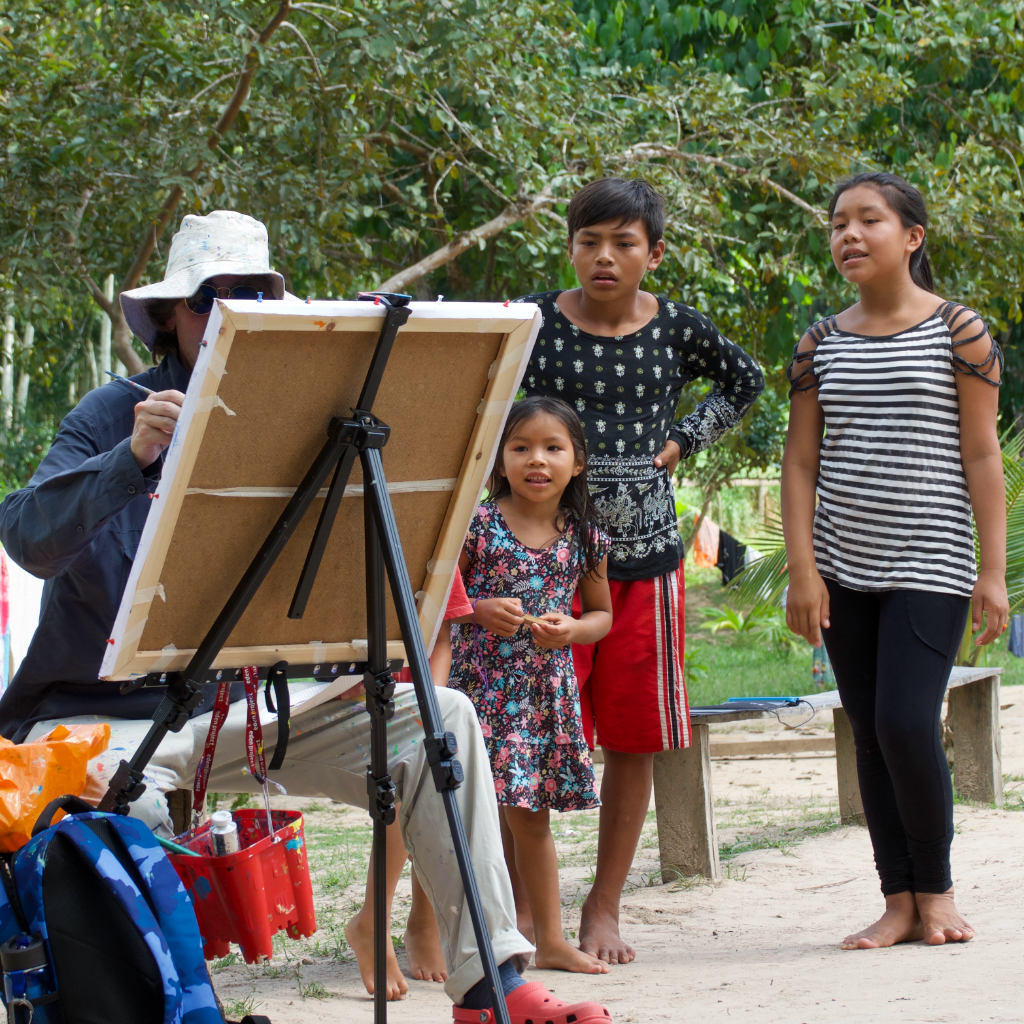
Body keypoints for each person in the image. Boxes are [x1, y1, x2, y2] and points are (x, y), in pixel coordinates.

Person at [0, 210, 615, 1024]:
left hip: (255, 707)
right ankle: (175, 1010)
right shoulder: (116, 413)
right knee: (122, 814)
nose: (227, 313)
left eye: (249, 295)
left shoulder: (315, 413)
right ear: (170, 316)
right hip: (99, 716)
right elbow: (28, 538)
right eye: (208, 298)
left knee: (444, 720)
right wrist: (130, 459)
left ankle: (489, 986)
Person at [517, 177, 764, 963]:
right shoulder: (530, 326)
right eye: (589, 241)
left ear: (653, 253)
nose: (604, 257)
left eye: (624, 242)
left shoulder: (676, 329)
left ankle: (604, 905)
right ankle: (531, 912)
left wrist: (682, 441)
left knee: (634, 736)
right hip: (545, 567)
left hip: (648, 566)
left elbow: (745, 380)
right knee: (530, 737)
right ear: (570, 248)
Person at [781, 171, 1008, 950]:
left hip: (933, 559)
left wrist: (993, 571)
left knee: (907, 720)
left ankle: (937, 892)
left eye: (867, 220)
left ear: (911, 236)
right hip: (843, 565)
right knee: (870, 732)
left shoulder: (959, 331)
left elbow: (982, 455)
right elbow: (800, 463)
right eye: (837, 222)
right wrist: (803, 570)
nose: (847, 234)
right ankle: (899, 899)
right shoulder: (820, 342)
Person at [450, 396, 613, 976]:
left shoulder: (586, 537)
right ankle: (450, 936)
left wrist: (571, 630)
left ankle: (549, 938)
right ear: (498, 460)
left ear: (578, 462)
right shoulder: (475, 524)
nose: (536, 460)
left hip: (543, 693)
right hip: (478, 690)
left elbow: (602, 616)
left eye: (552, 448)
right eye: (520, 447)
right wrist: (476, 610)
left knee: (531, 820)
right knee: (457, 813)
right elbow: (437, 601)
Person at [345, 573, 469, 1001]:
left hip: (421, 694)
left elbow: (442, 637)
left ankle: (418, 919)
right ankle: (376, 921)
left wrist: (425, 704)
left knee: (427, 766)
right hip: (349, 696)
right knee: (404, 780)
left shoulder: (438, 531)